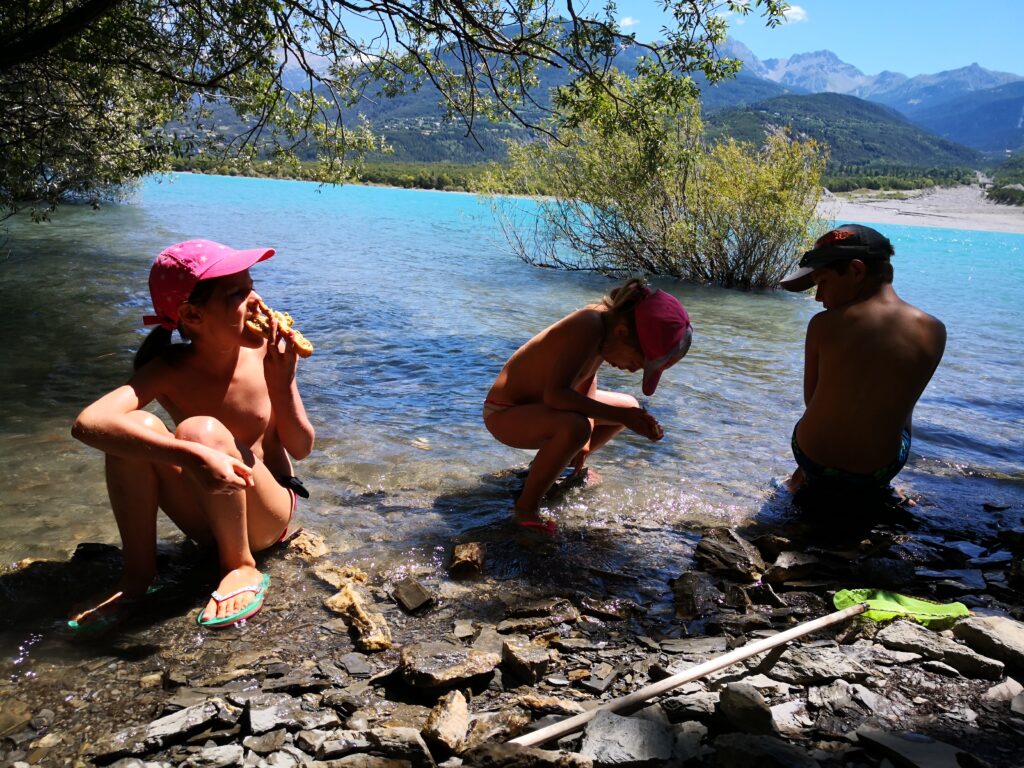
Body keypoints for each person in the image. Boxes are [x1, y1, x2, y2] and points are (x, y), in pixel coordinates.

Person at [69, 239, 315, 630]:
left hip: (268, 514)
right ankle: (138, 576)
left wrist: (283, 383)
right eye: (237, 294)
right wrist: (192, 456)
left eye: (252, 286)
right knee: (136, 429)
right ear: (193, 315)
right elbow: (89, 422)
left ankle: (240, 566)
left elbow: (300, 448)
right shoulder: (169, 369)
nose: (256, 301)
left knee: (200, 429)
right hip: (208, 513)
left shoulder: (266, 354)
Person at [484, 279, 693, 534]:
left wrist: (607, 424)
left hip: (540, 410)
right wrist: (620, 418)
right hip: (505, 413)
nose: (631, 370)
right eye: (635, 363)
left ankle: (560, 469)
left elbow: (586, 378)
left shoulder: (605, 328)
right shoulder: (588, 325)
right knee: (578, 427)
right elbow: (555, 395)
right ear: (622, 332)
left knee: (629, 405)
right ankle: (526, 509)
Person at [780, 224, 946, 502]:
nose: (819, 298)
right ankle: (879, 490)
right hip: (878, 470)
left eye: (822, 283)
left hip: (811, 456)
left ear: (856, 271)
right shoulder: (934, 330)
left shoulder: (822, 324)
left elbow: (812, 400)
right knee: (901, 407)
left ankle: (802, 478)